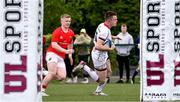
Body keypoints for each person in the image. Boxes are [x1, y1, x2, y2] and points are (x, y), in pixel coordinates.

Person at [73, 11, 117, 96]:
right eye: (115, 19)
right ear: (109, 20)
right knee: (101, 80)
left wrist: (114, 37)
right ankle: (84, 66)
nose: (116, 21)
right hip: (99, 55)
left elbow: (102, 37)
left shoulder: (102, 25)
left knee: (109, 72)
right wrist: (110, 48)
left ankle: (98, 92)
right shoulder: (105, 30)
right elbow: (98, 46)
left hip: (103, 54)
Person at [41, 14, 74, 96]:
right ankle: (41, 90)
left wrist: (69, 55)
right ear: (61, 21)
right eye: (66, 21)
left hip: (61, 57)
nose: (68, 23)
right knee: (52, 72)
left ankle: (45, 72)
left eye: (69, 21)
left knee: (62, 77)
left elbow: (70, 43)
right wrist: (65, 51)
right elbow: (54, 45)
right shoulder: (57, 31)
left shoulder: (71, 32)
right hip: (52, 53)